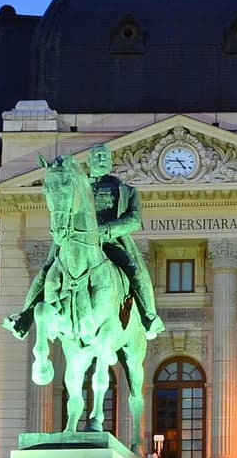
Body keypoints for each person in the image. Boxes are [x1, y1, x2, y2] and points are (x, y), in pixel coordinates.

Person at [11, 145, 164, 339]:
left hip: (110, 242)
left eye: (106, 157)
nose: (102, 159)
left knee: (135, 270)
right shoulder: (76, 185)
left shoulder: (127, 191)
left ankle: (148, 316)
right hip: (73, 241)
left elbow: (133, 219)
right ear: (89, 162)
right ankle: (24, 318)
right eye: (97, 156)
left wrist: (105, 231)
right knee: (47, 270)